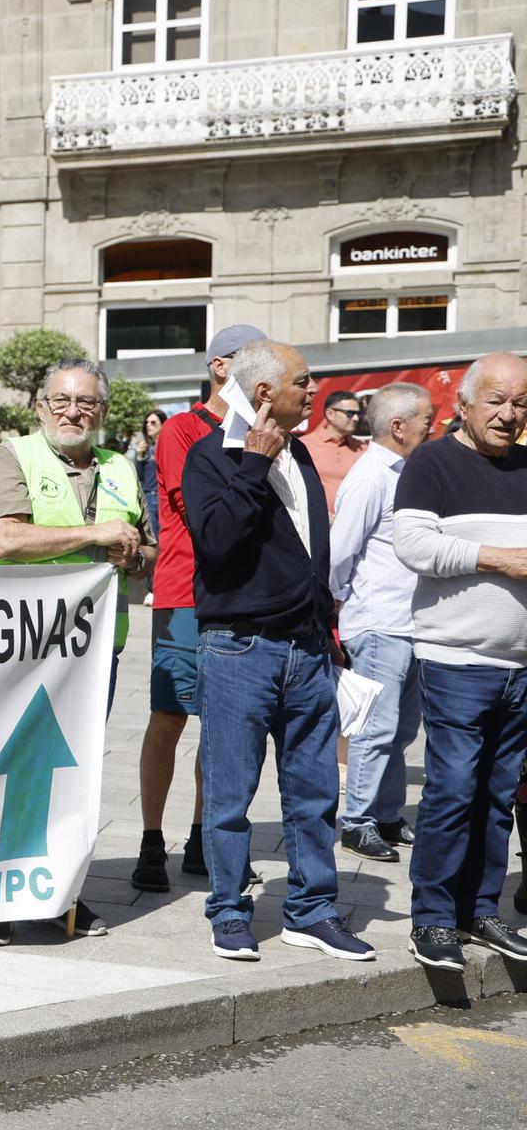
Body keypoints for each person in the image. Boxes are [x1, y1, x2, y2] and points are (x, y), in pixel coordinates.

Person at [182, 340, 374, 964]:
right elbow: (215, 543)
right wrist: (253, 466)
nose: (313, 390)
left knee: (315, 793)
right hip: (239, 650)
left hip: (309, 651)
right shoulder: (215, 455)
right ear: (265, 392)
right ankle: (230, 911)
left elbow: (312, 556)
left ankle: (312, 911)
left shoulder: (300, 456)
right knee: (231, 796)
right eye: (303, 381)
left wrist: (329, 637)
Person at [0, 358, 147, 944]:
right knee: (9, 773)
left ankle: (61, 896)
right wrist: (97, 536)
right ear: (40, 406)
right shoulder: (11, 455)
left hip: (97, 651)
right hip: (21, 647)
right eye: (62, 401)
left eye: (87, 403)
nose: (74, 412)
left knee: (75, 779)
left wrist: (133, 555)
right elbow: (7, 537)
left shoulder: (120, 466)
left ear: (102, 411)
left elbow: (144, 553)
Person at [393, 353, 527, 972]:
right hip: (457, 658)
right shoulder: (432, 462)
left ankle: (482, 908)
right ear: (465, 405)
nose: (509, 415)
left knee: (499, 795)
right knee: (451, 790)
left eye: (521, 403)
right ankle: (434, 919)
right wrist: (500, 558)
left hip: (521, 664)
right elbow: (414, 546)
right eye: (497, 401)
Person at [135, 325, 263, 893]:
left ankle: (200, 840)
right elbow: (198, 509)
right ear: (220, 367)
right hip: (186, 590)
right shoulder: (183, 429)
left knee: (223, 727)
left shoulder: (262, 431)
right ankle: (150, 840)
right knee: (169, 718)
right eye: (255, 365)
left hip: (242, 595)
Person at [328, 383, 433, 862]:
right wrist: (345, 607)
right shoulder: (371, 476)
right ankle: (358, 820)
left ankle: (387, 814)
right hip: (379, 620)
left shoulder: (405, 471)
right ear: (398, 426)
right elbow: (339, 552)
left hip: (409, 622)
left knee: (403, 727)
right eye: (425, 421)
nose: (431, 428)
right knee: (376, 726)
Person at [304, 388, 366, 514]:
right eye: (349, 413)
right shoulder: (305, 445)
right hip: (316, 524)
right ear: (330, 414)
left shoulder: (364, 450)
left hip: (355, 525)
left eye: (358, 414)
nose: (355, 419)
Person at [136, 407, 165, 537]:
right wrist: (139, 457)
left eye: (153, 422)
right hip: (148, 497)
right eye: (147, 422)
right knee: (151, 537)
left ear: (163, 424)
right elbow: (139, 477)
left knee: (165, 536)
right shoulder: (145, 448)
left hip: (163, 496)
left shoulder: (168, 445)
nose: (148, 425)